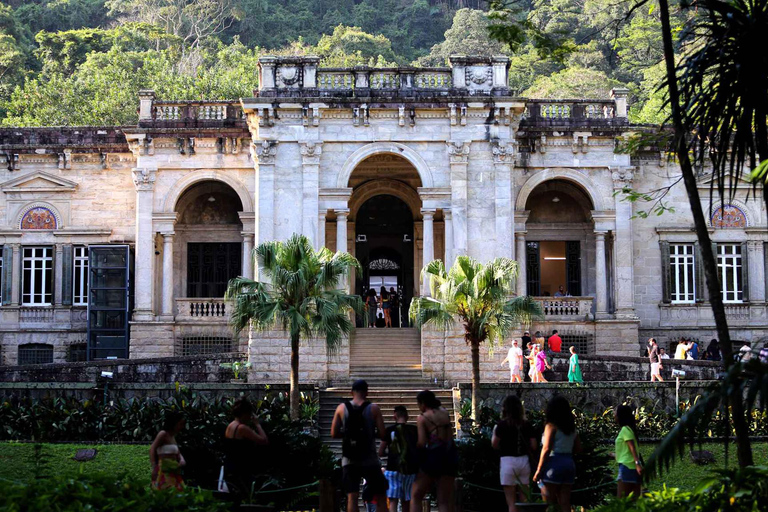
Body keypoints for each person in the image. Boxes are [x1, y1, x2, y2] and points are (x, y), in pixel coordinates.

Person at [331, 380, 388, 512]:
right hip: (370, 459)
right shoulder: (374, 408)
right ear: (366, 392)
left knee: (352, 497)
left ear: (351, 392)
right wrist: (369, 434)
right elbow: (383, 433)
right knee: (380, 495)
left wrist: (347, 435)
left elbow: (333, 433)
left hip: (349, 459)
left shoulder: (341, 408)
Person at [410, 390, 457, 512]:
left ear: (423, 403)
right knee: (443, 500)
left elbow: (421, 442)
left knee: (416, 495)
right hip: (450, 456)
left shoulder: (423, 417)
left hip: (434, 457)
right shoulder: (444, 412)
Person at [533, 396, 582, 512]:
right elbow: (579, 448)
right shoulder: (571, 428)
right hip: (569, 463)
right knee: (565, 502)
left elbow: (546, 448)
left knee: (548, 502)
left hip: (554, 464)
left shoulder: (551, 426)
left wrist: (539, 470)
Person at [492, 396, 537, 512]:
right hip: (523, 460)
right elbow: (534, 445)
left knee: (511, 502)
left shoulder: (501, 425)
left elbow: (494, 444)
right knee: (525, 500)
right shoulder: (526, 424)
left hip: (508, 461)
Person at [223, 397, 269, 496]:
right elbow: (263, 440)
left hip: (230, 467)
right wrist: (257, 424)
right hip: (240, 470)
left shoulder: (230, 426)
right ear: (245, 414)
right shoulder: (242, 428)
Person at [378, 405, 418, 512]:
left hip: (393, 468)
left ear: (394, 416)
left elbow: (380, 452)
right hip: (409, 469)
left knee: (393, 501)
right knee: (406, 500)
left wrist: (390, 453)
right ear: (407, 416)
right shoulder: (414, 430)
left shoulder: (389, 430)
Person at [150, 411, 186, 490]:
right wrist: (153, 467)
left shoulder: (173, 437)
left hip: (173, 469)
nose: (181, 427)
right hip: (163, 469)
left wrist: (182, 460)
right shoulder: (163, 434)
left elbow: (178, 453)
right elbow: (152, 449)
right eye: (180, 424)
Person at [614, 405, 642, 500]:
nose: (614, 415)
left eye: (615, 413)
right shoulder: (629, 429)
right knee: (634, 501)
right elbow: (627, 450)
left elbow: (632, 447)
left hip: (627, 468)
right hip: (631, 467)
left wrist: (637, 463)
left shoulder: (625, 430)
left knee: (621, 501)